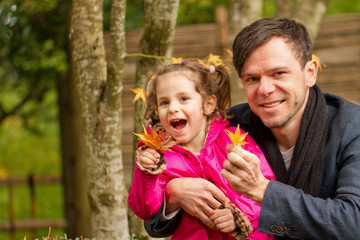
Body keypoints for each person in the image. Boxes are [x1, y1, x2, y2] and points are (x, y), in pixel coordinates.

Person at [144, 18, 360, 239]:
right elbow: (152, 222)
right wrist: (173, 195)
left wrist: (261, 190)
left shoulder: (352, 128)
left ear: (310, 72)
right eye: (253, 78)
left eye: (279, 73)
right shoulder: (228, 127)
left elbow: (354, 223)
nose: (265, 89)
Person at [127, 61, 276, 240]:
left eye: (184, 99)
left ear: (208, 104)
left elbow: (265, 187)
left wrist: (239, 215)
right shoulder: (159, 156)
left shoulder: (233, 140)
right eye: (164, 102)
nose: (173, 108)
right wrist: (147, 173)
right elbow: (145, 209)